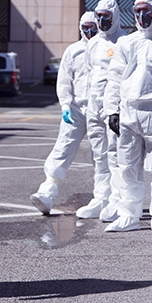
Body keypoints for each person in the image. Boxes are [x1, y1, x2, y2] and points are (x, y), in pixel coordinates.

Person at [102, 0, 152, 233]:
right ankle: (129, 215)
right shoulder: (127, 43)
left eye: (146, 10)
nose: (141, 16)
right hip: (128, 113)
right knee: (127, 167)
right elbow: (115, 78)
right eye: (137, 11)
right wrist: (112, 110)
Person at [30, 12, 98, 214]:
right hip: (76, 109)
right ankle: (47, 192)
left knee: (102, 155)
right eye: (85, 27)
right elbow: (64, 81)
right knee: (62, 148)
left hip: (99, 110)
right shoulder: (73, 51)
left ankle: (105, 198)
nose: (89, 31)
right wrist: (66, 105)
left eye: (92, 26)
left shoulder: (107, 48)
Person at [77, 0, 128, 220]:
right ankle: (101, 198)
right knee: (98, 155)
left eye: (105, 16)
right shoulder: (93, 43)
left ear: (115, 16)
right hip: (94, 107)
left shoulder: (124, 41)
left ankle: (117, 200)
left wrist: (117, 107)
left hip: (114, 108)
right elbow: (90, 72)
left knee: (115, 155)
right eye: (98, 16)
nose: (101, 20)